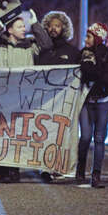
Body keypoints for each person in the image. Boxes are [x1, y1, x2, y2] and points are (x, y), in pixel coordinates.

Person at [0, 8, 52, 183]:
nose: (23, 29)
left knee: (17, 134)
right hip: (0, 96)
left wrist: (35, 24)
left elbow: (47, 45)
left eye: (24, 26)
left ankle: (13, 169)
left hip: (21, 97)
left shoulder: (30, 47)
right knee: (1, 134)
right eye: (19, 26)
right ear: (9, 30)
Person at [35, 10, 81, 182]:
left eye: (57, 26)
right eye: (51, 25)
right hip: (44, 100)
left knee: (60, 135)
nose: (53, 29)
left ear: (64, 28)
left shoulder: (72, 52)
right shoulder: (39, 50)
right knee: (44, 134)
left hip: (64, 102)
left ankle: (58, 165)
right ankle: (44, 168)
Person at [77, 23, 108, 188]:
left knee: (99, 138)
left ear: (97, 38)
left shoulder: (107, 56)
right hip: (86, 101)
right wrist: (94, 72)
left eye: (89, 36)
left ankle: (96, 175)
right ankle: (80, 169)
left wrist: (92, 71)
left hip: (104, 101)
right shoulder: (82, 54)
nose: (85, 39)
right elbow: (84, 74)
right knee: (85, 136)